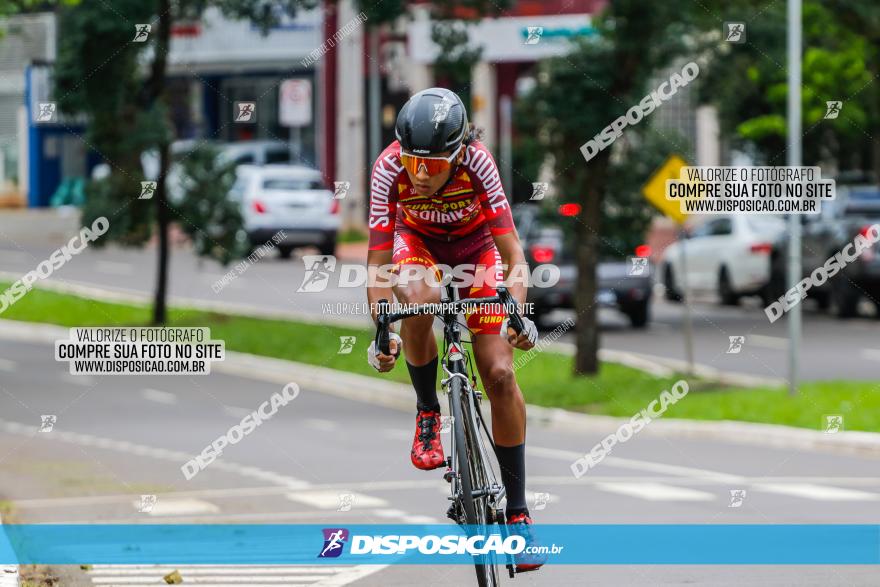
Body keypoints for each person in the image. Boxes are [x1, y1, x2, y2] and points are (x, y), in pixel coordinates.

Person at [365, 87, 543, 572]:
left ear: (460, 153)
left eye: (435, 165)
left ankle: (518, 513)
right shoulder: (388, 170)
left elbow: (514, 258)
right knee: (417, 301)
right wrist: (383, 329)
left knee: (500, 375)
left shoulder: (480, 164)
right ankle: (428, 414)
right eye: (413, 162)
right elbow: (378, 265)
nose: (421, 175)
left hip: (476, 250)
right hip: (416, 242)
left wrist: (517, 315)